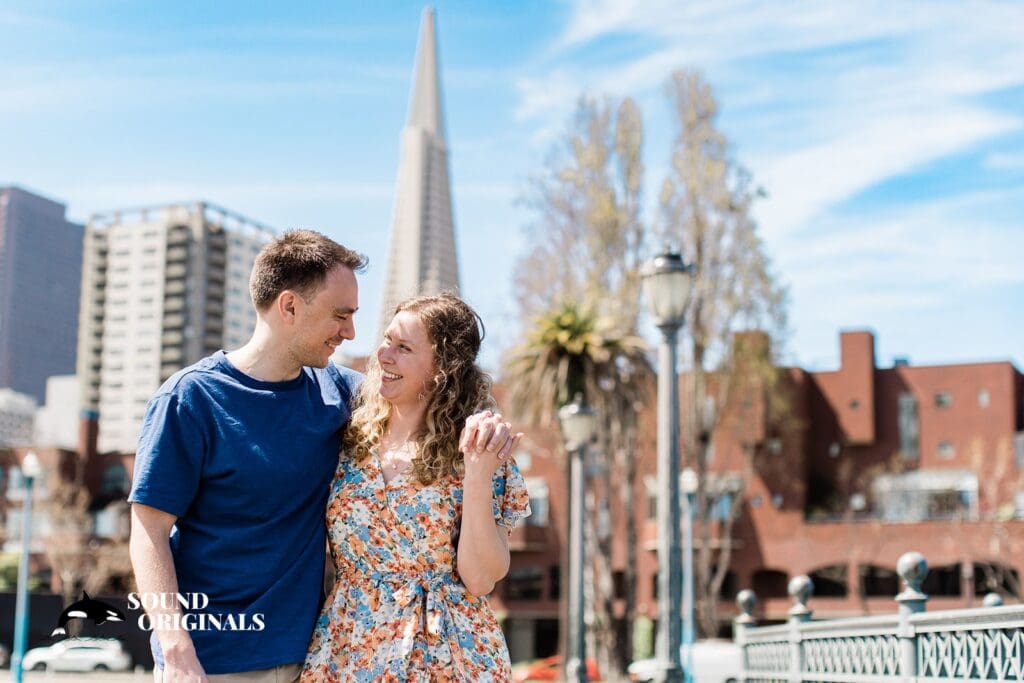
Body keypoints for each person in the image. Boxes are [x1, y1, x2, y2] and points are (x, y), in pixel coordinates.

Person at [128, 231, 516, 683]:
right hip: (211, 659)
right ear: (289, 307)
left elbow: (434, 394)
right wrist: (175, 646)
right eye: (340, 315)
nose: (351, 333)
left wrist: (485, 429)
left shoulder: (343, 397)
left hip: (315, 656)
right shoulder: (191, 399)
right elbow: (148, 530)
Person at [301, 293, 530, 682]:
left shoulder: (479, 449)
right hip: (349, 646)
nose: (384, 355)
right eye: (387, 340)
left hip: (446, 654)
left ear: (443, 367)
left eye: (403, 348)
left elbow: (480, 578)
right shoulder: (346, 440)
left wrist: (477, 473)